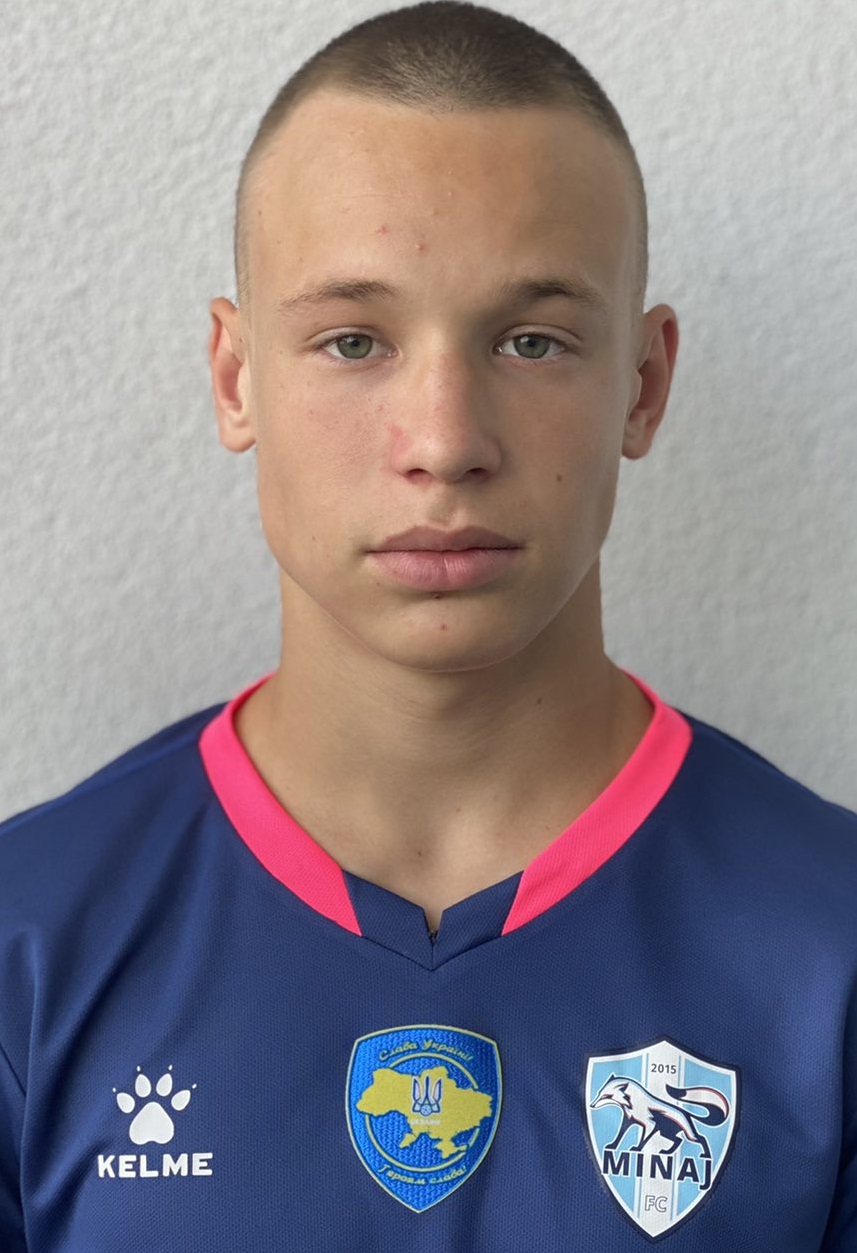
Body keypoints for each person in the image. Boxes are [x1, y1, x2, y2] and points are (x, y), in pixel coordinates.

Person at [1, 2, 855, 1249]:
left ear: (642, 383)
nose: (444, 441)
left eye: (531, 341)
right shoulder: (25, 941)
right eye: (353, 340)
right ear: (237, 379)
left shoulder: (831, 949)